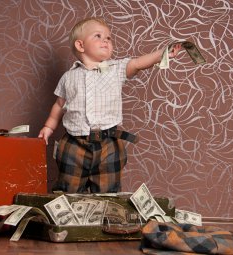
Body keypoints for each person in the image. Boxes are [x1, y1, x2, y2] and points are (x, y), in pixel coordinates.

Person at [38, 17, 181, 193]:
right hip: (74, 143)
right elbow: (59, 105)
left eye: (109, 38)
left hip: (109, 142)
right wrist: (48, 127)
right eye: (98, 36)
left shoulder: (116, 69)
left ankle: (103, 218)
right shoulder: (69, 77)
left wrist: (163, 53)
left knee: (108, 190)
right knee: (69, 189)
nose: (105, 40)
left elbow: (137, 63)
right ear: (80, 46)